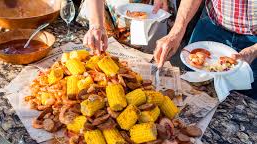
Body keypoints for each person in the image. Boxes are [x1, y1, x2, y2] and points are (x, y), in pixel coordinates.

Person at [83, 0, 257, 99]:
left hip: (254, 38)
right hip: (212, 26)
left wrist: (253, 50)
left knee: (248, 102)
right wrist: (177, 31)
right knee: (193, 92)